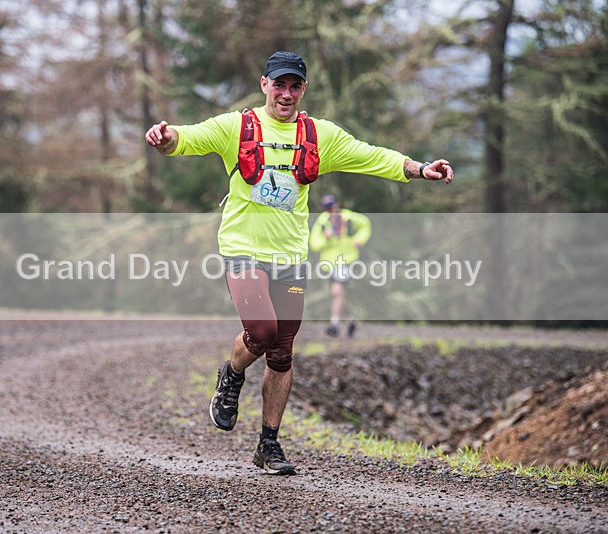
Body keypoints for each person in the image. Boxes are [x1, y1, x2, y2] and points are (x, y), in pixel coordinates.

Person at [145, 50, 453, 475]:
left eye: (294, 85)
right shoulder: (238, 126)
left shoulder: (319, 135)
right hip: (242, 247)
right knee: (262, 330)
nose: (286, 93)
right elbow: (190, 137)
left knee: (282, 353)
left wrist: (420, 169)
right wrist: (166, 139)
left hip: (291, 254)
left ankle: (268, 445)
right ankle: (232, 375)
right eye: (279, 84)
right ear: (264, 84)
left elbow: (371, 155)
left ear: (303, 89)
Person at [309, 194, 371, 338]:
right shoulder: (322, 223)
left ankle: (334, 324)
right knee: (341, 294)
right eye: (326, 209)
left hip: (347, 260)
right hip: (329, 264)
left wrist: (359, 240)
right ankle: (350, 321)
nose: (330, 211)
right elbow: (314, 244)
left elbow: (366, 224)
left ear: (336, 205)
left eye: (331, 207)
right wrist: (326, 236)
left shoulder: (348, 218)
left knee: (336, 291)